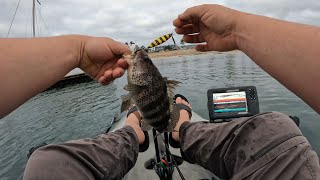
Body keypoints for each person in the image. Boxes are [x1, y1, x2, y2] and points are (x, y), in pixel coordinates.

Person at [0, 4, 318, 180]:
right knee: (278, 130)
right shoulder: (143, 73)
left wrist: (78, 49)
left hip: (142, 103)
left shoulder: (138, 78)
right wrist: (78, 49)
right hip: (158, 100)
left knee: (46, 163)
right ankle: (180, 127)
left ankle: (133, 131)